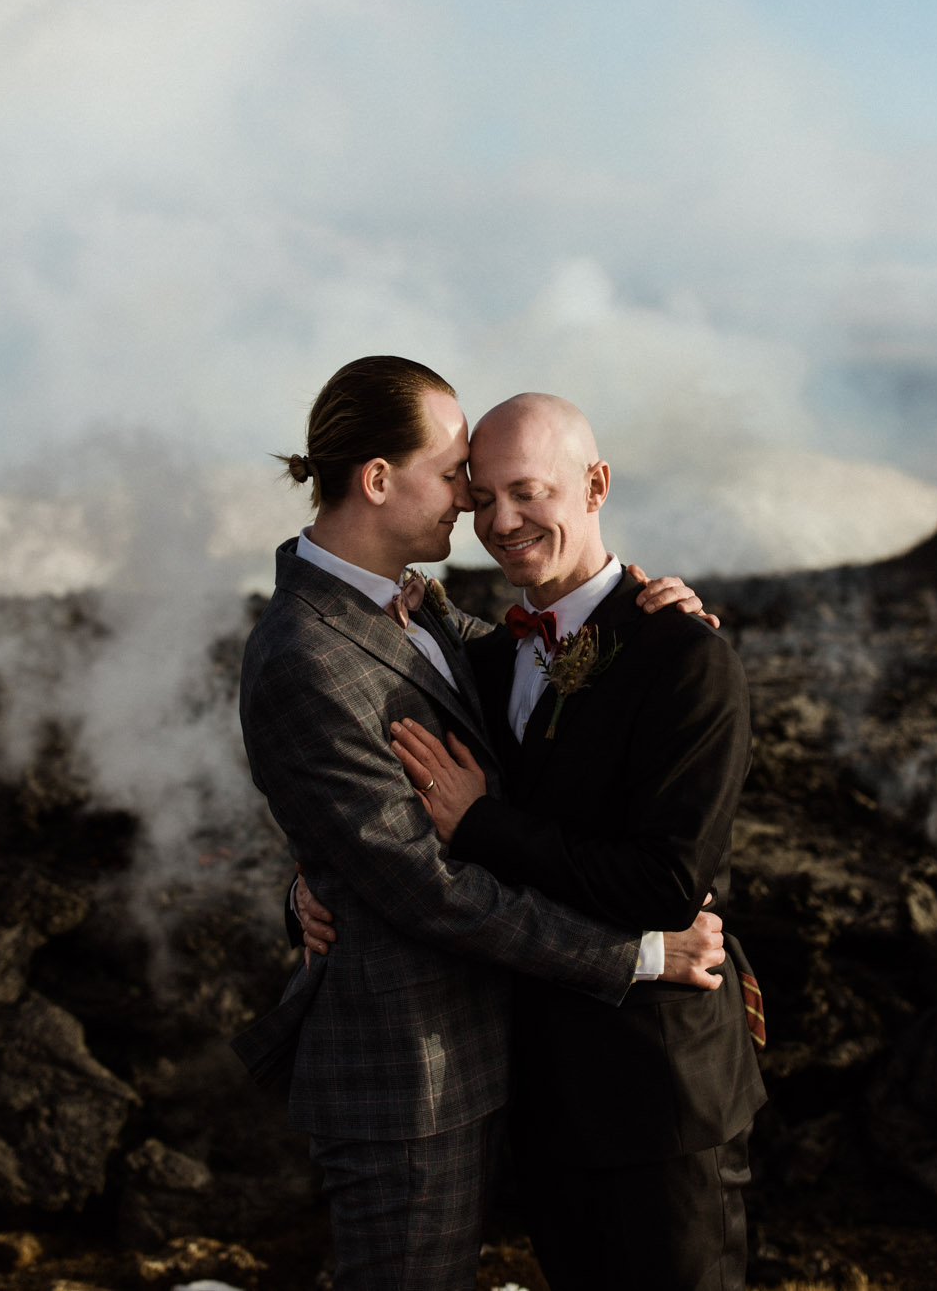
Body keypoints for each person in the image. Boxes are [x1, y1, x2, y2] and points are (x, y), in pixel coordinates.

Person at [230, 357, 728, 1290]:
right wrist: (633, 955)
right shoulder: (303, 651)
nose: (472, 505)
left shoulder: (416, 607)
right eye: (458, 472)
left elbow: (548, 669)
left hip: (518, 1058)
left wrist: (655, 618)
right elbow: (421, 882)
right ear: (378, 479)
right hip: (406, 1078)